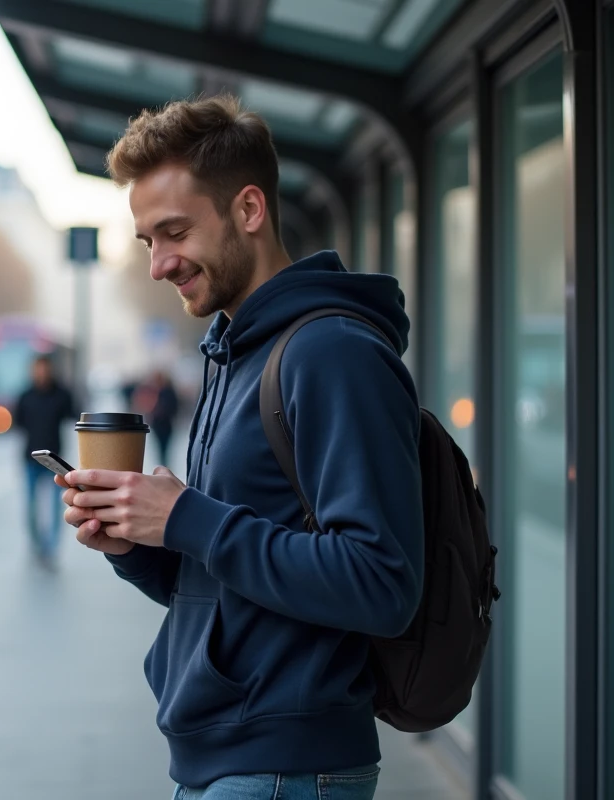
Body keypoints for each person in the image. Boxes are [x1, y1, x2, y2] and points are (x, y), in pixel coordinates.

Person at [55, 94, 424, 798]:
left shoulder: (332, 353)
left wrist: (188, 516)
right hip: (228, 758)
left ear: (248, 210)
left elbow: (382, 584)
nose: (159, 264)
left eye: (175, 232)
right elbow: (231, 585)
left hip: (285, 766)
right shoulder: (234, 354)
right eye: (148, 242)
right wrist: (137, 544)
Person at [13, 354, 77, 565]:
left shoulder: (61, 394)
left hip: (54, 460)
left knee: (55, 507)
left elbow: (74, 414)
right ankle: (36, 544)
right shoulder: (25, 396)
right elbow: (18, 423)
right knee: (31, 506)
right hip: (30, 458)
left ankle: (51, 548)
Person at [131, 369, 179, 468]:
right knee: (161, 446)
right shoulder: (156, 391)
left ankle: (163, 463)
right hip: (160, 423)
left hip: (165, 423)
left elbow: (173, 407)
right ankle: (163, 463)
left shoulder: (165, 392)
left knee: (164, 445)